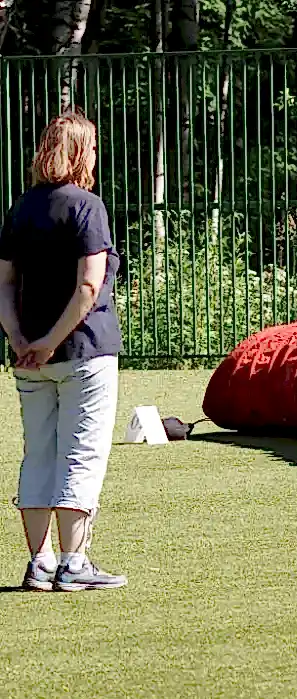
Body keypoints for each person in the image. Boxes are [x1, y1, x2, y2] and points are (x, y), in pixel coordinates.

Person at [0, 109, 127, 591]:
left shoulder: (22, 208)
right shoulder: (87, 207)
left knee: (38, 453)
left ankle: (40, 562)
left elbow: (4, 283)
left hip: (28, 356)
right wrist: (52, 342)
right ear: (77, 153)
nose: (95, 155)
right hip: (83, 350)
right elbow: (89, 286)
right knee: (82, 454)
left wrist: (20, 340)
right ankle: (74, 562)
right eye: (91, 147)